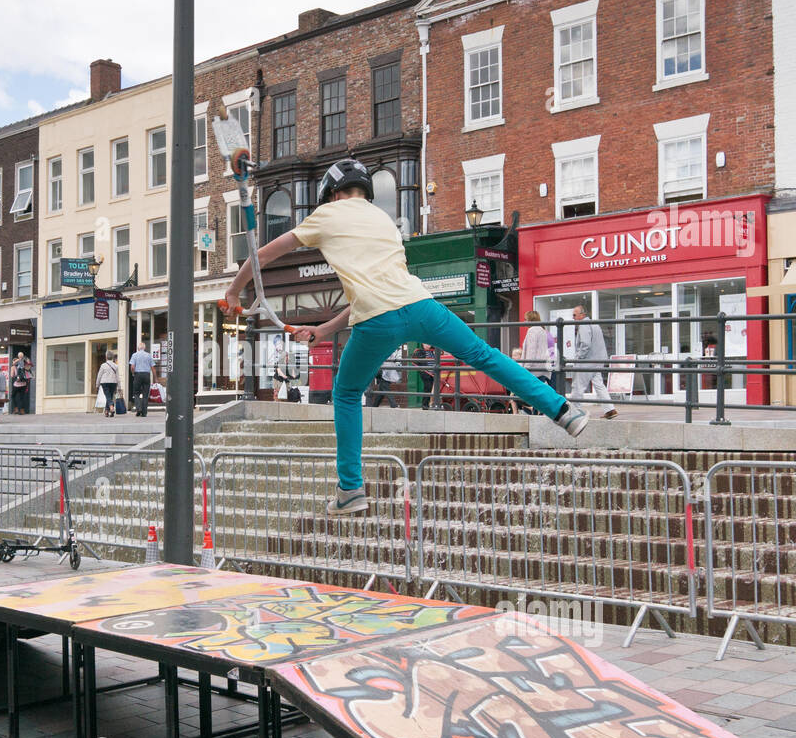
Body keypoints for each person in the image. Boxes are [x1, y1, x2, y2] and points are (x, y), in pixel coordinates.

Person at [224, 159, 587, 517]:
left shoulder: (327, 215)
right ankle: (563, 410)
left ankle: (350, 489)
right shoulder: (382, 219)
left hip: (378, 320)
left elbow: (262, 255)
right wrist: (325, 330)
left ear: (332, 194)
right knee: (484, 355)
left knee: (347, 393)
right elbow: (382, 289)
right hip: (421, 306)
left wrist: (233, 291)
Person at [571, 306, 618, 419]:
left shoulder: (583, 325)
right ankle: (610, 409)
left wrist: (578, 357)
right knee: (599, 384)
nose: (573, 318)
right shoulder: (595, 324)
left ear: (582, 315)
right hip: (598, 359)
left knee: (578, 386)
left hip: (588, 360)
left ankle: (574, 412)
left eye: (574, 315)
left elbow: (585, 344)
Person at [128, 344, 154, 416]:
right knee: (145, 395)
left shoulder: (134, 355)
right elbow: (153, 367)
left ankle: (139, 408)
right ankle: (144, 413)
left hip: (138, 375)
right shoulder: (148, 355)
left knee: (136, 393)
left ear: (138, 348)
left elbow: (132, 367)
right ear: (144, 348)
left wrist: (133, 374)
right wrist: (156, 377)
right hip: (146, 375)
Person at [96, 350, 120, 419]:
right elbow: (118, 377)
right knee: (110, 396)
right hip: (113, 382)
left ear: (106, 357)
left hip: (105, 383)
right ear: (112, 357)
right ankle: (107, 411)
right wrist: (119, 387)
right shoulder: (116, 366)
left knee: (108, 396)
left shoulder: (103, 365)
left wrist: (97, 385)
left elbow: (99, 376)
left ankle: (111, 407)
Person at [412, 344, 437, 409]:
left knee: (435, 389)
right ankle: (425, 405)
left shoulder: (433, 351)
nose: (428, 345)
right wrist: (423, 370)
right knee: (428, 388)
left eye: (429, 344)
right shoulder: (420, 351)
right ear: (423, 344)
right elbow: (415, 362)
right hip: (426, 373)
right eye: (426, 344)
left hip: (434, 373)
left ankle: (433, 404)